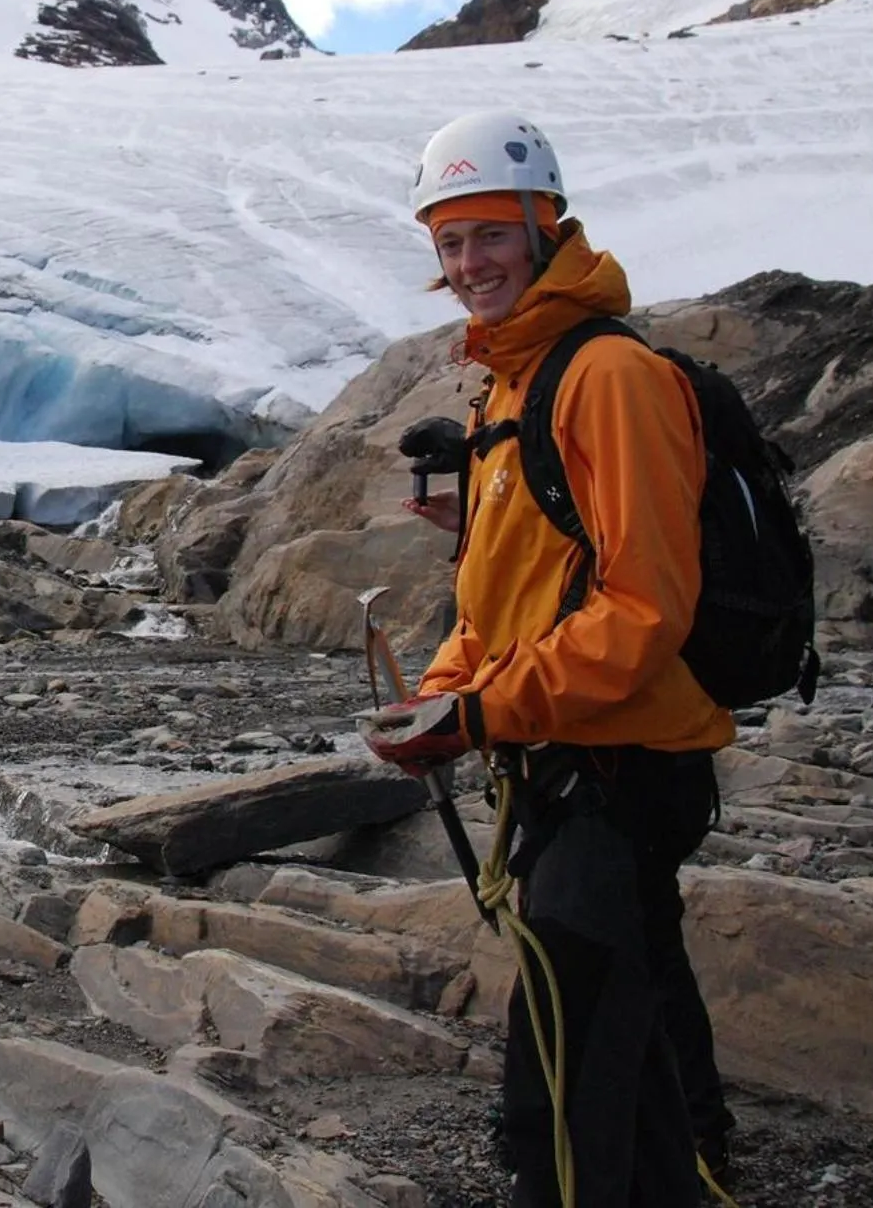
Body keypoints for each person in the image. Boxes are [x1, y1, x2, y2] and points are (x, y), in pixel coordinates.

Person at [362, 112, 733, 1207]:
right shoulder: (512, 383)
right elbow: (501, 596)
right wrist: (437, 699)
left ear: (542, 224)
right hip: (557, 765)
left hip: (615, 771)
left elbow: (642, 609)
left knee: (558, 1108)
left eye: (487, 236)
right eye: (447, 244)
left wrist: (477, 716)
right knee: (629, 1081)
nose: (468, 264)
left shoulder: (604, 376)